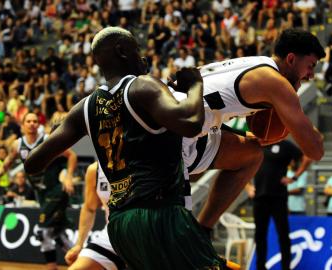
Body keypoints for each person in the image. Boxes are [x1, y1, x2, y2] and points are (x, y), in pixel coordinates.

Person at [24, 26, 228, 270]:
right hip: (160, 214)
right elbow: (191, 124)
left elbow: (33, 163)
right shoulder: (142, 86)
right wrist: (195, 85)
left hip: (120, 226)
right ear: (122, 50)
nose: (142, 57)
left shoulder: (84, 108)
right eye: (137, 49)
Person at [177, 28, 325, 230]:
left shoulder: (255, 63)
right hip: (171, 134)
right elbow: (315, 150)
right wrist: (298, 127)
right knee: (172, 235)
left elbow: (212, 108)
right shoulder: (276, 82)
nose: (311, 75)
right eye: (310, 66)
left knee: (251, 153)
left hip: (179, 122)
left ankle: (202, 231)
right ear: (291, 59)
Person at [0, 112, 77, 270]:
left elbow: (72, 155)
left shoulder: (47, 140)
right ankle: (82, 260)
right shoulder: (17, 145)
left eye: (35, 121)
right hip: (41, 194)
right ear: (22, 126)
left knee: (42, 231)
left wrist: (68, 177)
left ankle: (51, 267)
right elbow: (8, 162)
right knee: (56, 233)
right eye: (28, 121)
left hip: (55, 191)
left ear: (38, 125)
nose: (32, 123)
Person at [245, 140, 312, 270]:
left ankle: (286, 267)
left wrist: (294, 178)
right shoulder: (258, 143)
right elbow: (241, 162)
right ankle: (260, 267)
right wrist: (248, 186)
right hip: (259, 197)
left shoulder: (286, 145)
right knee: (260, 235)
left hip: (278, 197)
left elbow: (307, 158)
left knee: (283, 234)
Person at [65, 162, 126, 270]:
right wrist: (79, 244)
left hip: (148, 234)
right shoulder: (95, 170)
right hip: (112, 235)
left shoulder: (144, 161)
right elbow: (89, 208)